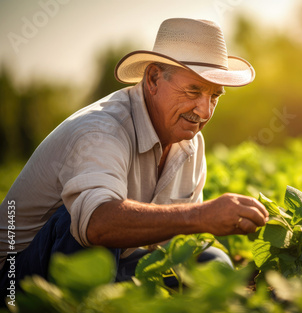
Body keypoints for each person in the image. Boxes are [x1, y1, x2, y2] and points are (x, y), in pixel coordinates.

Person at [0, 18, 268, 294]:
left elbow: (173, 242)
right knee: (86, 218)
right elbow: (97, 225)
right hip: (14, 274)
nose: (204, 111)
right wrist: (200, 216)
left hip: (117, 260)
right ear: (153, 79)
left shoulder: (191, 143)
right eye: (193, 90)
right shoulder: (102, 129)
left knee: (213, 264)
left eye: (214, 96)